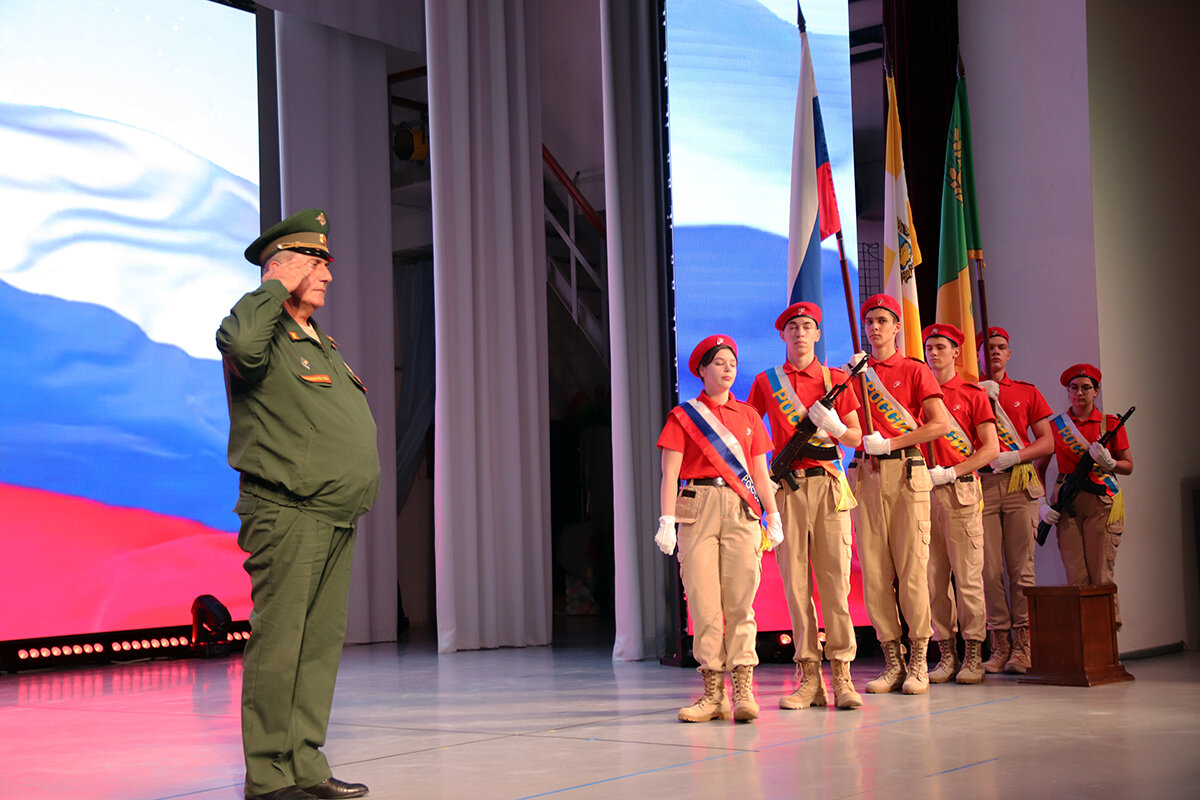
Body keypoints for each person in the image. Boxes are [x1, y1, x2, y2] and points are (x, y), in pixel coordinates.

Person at [217, 209, 379, 800]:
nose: (328, 276)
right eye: (316, 264)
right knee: (281, 642)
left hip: (333, 513)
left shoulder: (320, 342)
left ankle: (305, 764)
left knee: (316, 646)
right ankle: (267, 775)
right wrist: (271, 289)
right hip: (287, 510)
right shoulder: (260, 333)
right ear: (280, 267)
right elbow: (238, 343)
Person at [656, 335, 782, 723]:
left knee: (741, 602)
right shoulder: (684, 416)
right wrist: (666, 521)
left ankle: (743, 687)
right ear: (701, 370)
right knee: (704, 604)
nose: (728, 369)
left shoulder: (747, 416)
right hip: (697, 508)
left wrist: (773, 515)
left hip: (742, 508)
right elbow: (670, 473)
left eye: (732, 362)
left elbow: (760, 472)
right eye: (719, 363)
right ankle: (713, 692)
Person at [746, 302, 864, 710]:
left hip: (829, 486)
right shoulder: (766, 382)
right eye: (792, 327)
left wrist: (831, 425)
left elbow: (854, 437)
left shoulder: (835, 379)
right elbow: (749, 436)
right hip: (787, 489)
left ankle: (843, 677)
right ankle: (809, 677)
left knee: (836, 583)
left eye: (807, 326)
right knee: (796, 587)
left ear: (817, 334)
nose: (799, 333)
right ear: (782, 335)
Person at [847, 294, 948, 695]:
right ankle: (893, 661)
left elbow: (938, 425)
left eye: (882, 320)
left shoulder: (914, 369)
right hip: (865, 476)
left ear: (896, 327)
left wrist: (891, 443)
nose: (874, 327)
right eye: (869, 320)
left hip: (906, 471)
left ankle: (920, 659)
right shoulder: (855, 372)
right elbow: (844, 425)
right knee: (874, 573)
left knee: (912, 571)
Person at [921, 324, 998, 685]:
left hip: (960, 489)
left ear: (956, 353)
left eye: (940, 347)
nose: (933, 353)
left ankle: (973, 654)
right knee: (933, 579)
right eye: (928, 347)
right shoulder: (916, 393)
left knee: (967, 577)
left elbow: (990, 448)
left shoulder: (971, 393)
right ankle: (946, 652)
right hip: (922, 492)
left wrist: (952, 472)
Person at [975, 327, 1054, 674]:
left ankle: (1024, 647)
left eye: (1001, 347)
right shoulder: (968, 392)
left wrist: (1017, 455)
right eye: (988, 347)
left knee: (1021, 568)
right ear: (978, 354)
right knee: (989, 570)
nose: (994, 352)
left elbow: (1047, 442)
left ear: (1009, 354)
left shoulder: (1026, 391)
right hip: (983, 485)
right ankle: (1000, 645)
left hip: (1019, 482)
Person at [1036, 363, 1133, 630]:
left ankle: (1106, 638)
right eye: (1074, 388)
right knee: (1076, 576)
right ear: (1067, 391)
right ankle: (1085, 638)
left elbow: (1128, 466)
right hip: (1067, 503)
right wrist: (1042, 503)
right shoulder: (1056, 426)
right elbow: (1039, 467)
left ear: (1096, 391)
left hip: (1101, 502)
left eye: (1086, 388)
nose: (1080, 393)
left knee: (1101, 574)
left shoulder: (1109, 423)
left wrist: (1110, 463)